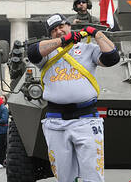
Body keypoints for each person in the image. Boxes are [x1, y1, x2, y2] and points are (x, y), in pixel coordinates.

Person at [27, 13, 119, 182]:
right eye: (54, 30)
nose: (59, 31)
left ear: (69, 26)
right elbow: (32, 52)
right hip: (56, 122)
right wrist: (64, 40)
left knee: (93, 175)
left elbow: (112, 57)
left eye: (61, 26)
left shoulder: (87, 49)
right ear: (50, 34)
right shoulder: (47, 53)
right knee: (64, 177)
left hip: (86, 120)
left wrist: (95, 33)